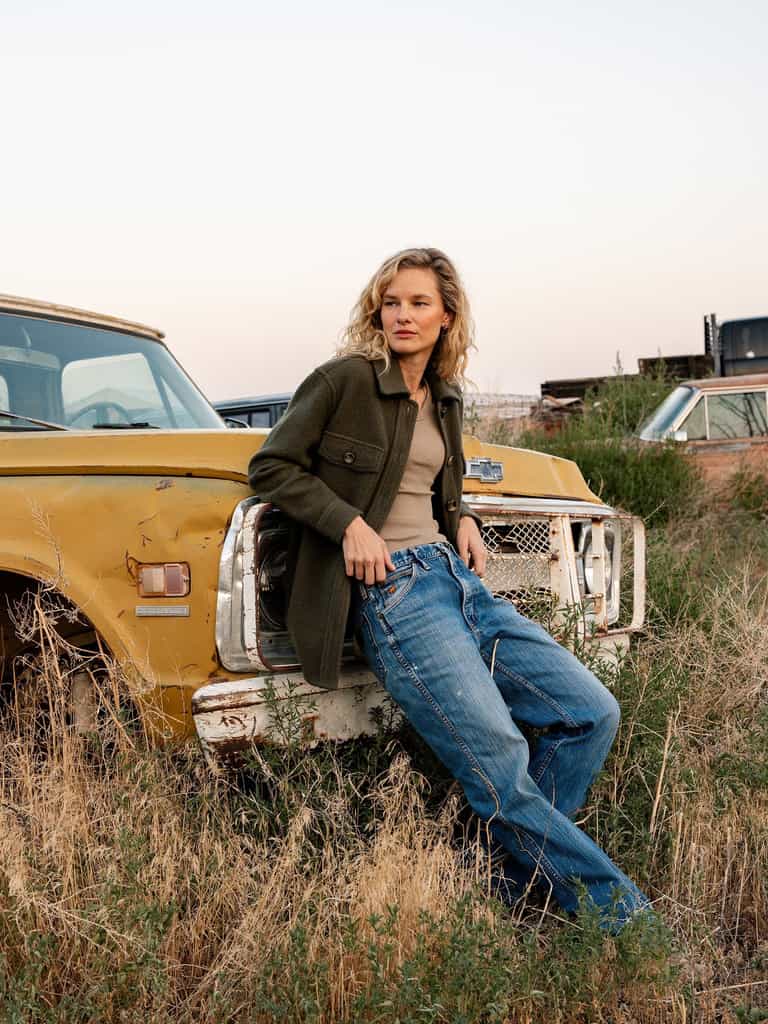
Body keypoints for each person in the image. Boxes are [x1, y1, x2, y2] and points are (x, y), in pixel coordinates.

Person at [248, 247, 650, 929]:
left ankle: (499, 886)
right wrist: (347, 524)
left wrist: (461, 517)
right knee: (501, 762)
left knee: (590, 713)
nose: (402, 315)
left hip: (456, 582)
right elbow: (272, 467)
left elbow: (438, 485)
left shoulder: (446, 395)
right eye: (391, 302)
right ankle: (628, 924)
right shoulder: (344, 380)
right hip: (395, 595)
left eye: (419, 303)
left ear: (446, 316)